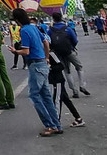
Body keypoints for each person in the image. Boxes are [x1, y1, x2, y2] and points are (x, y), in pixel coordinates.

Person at [10, 8, 62, 136]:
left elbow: (26, 51)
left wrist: (15, 51)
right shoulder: (34, 28)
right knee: (46, 96)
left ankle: (49, 125)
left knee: (34, 95)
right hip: (43, 63)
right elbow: (46, 42)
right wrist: (46, 57)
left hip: (35, 64)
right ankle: (56, 124)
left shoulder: (24, 30)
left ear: (17, 20)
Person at [47, 12, 89, 97]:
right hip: (69, 51)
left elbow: (48, 41)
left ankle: (74, 91)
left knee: (67, 71)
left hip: (58, 53)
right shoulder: (67, 28)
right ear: (61, 18)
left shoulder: (50, 30)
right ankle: (82, 85)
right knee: (79, 67)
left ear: (53, 19)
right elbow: (75, 40)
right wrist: (72, 47)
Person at [46, 45, 85, 129]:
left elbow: (60, 66)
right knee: (66, 99)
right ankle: (78, 118)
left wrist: (49, 67)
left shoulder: (51, 54)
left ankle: (56, 122)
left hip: (57, 80)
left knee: (56, 100)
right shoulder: (46, 54)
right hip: (55, 80)